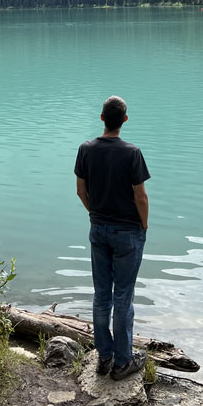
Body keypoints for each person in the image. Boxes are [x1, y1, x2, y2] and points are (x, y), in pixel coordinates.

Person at [74, 95, 150, 381]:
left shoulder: (86, 149)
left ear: (102, 117)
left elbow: (81, 191)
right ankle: (122, 363)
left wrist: (95, 213)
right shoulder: (132, 153)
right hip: (128, 231)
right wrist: (143, 225)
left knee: (102, 295)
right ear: (125, 120)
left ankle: (103, 357)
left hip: (98, 228)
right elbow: (140, 196)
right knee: (123, 296)